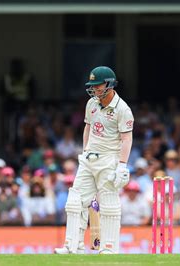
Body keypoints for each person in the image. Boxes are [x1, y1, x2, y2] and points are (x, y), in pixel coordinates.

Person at [54, 66, 134, 254]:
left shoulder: (123, 109)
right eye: (93, 85)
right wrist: (85, 151)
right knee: (75, 200)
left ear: (110, 84)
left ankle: (108, 247)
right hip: (89, 158)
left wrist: (122, 166)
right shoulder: (91, 103)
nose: (95, 89)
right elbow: (87, 128)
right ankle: (72, 246)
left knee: (108, 202)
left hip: (109, 159)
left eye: (98, 85)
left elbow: (127, 138)